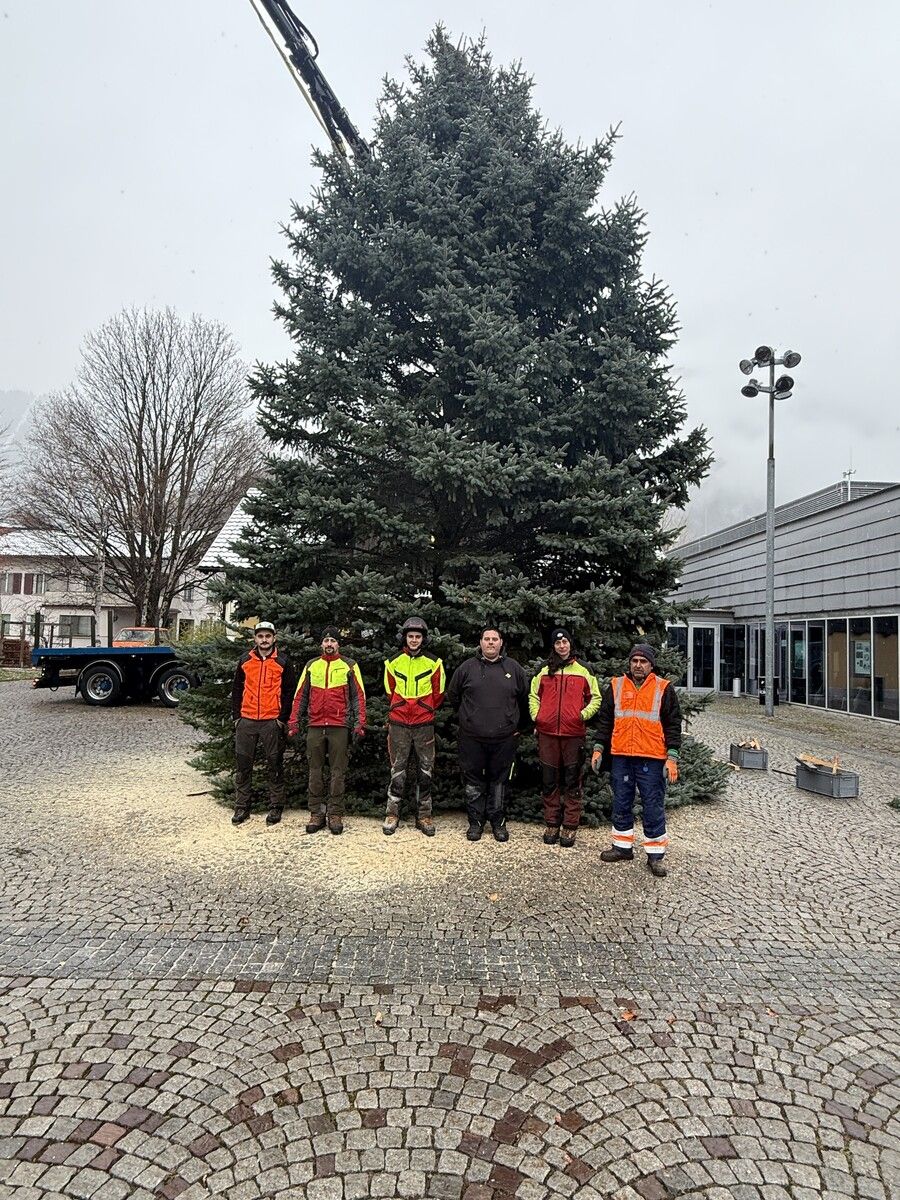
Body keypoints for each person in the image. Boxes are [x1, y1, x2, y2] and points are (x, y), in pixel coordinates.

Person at [591, 643, 682, 878]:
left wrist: (672, 757)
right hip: (621, 755)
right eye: (634, 661)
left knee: (652, 804)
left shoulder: (663, 688)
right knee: (621, 801)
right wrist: (599, 749)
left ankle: (655, 855)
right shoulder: (616, 686)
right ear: (629, 663)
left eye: (643, 661)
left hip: (652, 758)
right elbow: (605, 721)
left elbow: (673, 724)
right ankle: (622, 847)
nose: (638, 665)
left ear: (651, 665)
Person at [446, 626, 530, 843]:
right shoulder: (466, 668)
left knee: (500, 781)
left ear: (501, 643)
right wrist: (469, 718)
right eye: (486, 639)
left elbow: (525, 699)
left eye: (494, 639)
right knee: (473, 780)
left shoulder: (514, 669)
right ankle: (475, 822)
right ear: (480, 643)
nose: (490, 642)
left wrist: (518, 726)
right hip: (471, 738)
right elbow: (453, 696)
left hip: (505, 738)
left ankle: (498, 822)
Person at [287, 625, 366, 835]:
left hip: (339, 726)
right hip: (315, 725)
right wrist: (294, 721)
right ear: (321, 644)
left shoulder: (349, 665)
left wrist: (359, 723)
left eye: (333, 641)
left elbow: (358, 696)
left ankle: (335, 813)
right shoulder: (311, 666)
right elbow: (300, 696)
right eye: (326, 641)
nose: (329, 644)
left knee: (338, 772)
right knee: (315, 771)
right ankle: (316, 813)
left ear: (338, 644)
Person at [529, 628, 601, 847]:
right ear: (553, 646)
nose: (562, 646)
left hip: (573, 735)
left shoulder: (584, 669)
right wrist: (538, 717)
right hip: (547, 734)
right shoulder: (543, 670)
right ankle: (552, 823)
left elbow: (595, 698)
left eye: (565, 642)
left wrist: (581, 716)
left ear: (570, 644)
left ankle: (570, 825)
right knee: (549, 780)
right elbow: (533, 696)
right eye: (558, 643)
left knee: (572, 779)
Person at [382, 616, 445, 837]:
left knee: (425, 770)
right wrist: (401, 707)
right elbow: (389, 691)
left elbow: (438, 693)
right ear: (405, 638)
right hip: (399, 723)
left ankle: (424, 816)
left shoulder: (434, 663)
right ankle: (392, 814)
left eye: (418, 636)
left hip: (423, 723)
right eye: (411, 636)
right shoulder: (392, 663)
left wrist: (423, 708)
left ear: (423, 639)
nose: (414, 640)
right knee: (397, 770)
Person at [231, 621, 296, 827]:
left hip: (271, 721)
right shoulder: (245, 660)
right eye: (260, 636)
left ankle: (276, 806)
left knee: (275, 765)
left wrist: (281, 719)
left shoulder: (283, 661)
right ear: (255, 639)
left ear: (274, 638)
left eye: (268, 636)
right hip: (247, 720)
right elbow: (236, 689)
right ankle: (242, 806)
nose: (264, 640)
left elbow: (289, 692)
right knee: (243, 766)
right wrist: (237, 717)